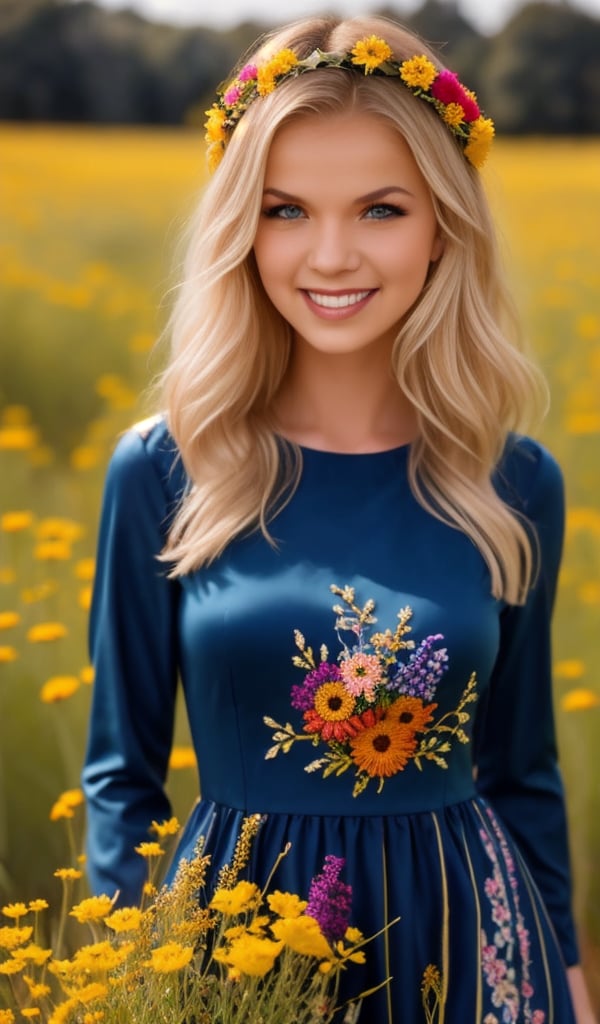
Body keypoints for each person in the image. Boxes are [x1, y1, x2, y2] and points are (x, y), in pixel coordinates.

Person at [81, 14, 597, 1023]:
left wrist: (569, 975)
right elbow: (120, 776)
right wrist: (122, 980)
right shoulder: (164, 469)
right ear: (243, 227)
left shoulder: (514, 483)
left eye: (380, 209)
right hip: (233, 953)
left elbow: (522, 769)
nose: (329, 255)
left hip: (470, 951)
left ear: (443, 225)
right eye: (285, 210)